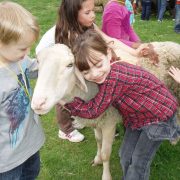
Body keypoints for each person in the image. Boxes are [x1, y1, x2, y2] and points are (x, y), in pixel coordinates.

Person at [61, 29, 180, 180]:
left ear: (109, 54)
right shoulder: (106, 75)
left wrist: (68, 102)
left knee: (139, 161)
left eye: (98, 65)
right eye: (86, 72)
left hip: (159, 117)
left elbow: (94, 110)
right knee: (124, 155)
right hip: (138, 117)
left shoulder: (115, 78)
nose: (95, 74)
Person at [36, 0, 145, 143]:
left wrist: (134, 52)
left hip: (75, 61)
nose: (93, 15)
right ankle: (66, 129)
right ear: (73, 14)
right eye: (88, 13)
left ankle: (97, 119)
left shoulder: (89, 25)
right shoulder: (66, 34)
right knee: (64, 94)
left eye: (93, 10)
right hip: (52, 64)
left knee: (89, 84)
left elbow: (109, 40)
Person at [0, 1, 45, 179]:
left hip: (29, 144)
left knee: (31, 174)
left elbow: (37, 68)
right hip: (6, 160)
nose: (28, 52)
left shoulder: (21, 59)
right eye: (23, 48)